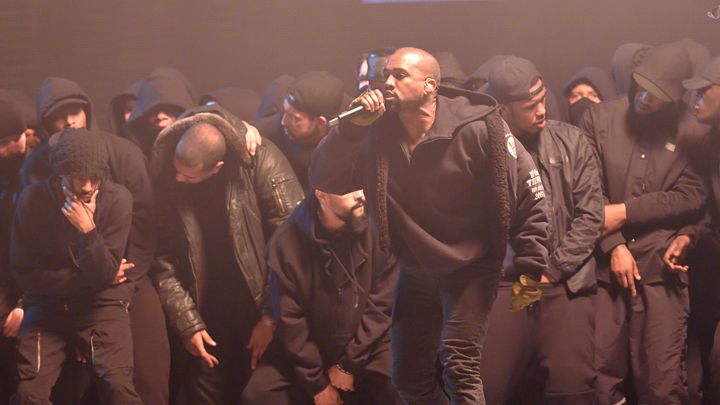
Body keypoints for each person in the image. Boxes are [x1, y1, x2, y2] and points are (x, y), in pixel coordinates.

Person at [311, 47, 549, 405]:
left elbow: (531, 197)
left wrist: (529, 272)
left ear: (430, 86)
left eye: (400, 75)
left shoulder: (478, 128)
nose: (387, 83)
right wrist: (348, 131)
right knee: (408, 378)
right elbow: (324, 179)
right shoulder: (377, 136)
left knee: (460, 366)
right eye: (386, 75)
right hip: (418, 267)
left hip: (473, 266)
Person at [148, 104, 304, 404]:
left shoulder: (262, 161)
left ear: (217, 167)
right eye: (177, 172)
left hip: (260, 302)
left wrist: (271, 317)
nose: (179, 179)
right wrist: (187, 323)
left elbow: (294, 250)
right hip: (204, 304)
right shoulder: (167, 171)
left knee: (256, 393)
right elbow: (161, 260)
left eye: (189, 177)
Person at [580, 41, 707, 404]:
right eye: (642, 86)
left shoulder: (693, 131)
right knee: (599, 381)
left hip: (660, 271)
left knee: (662, 385)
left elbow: (694, 195)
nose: (645, 98)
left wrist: (626, 212)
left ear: (676, 97)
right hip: (604, 271)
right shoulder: (599, 118)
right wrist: (614, 244)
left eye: (658, 94)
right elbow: (585, 189)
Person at [479, 56, 603, 405]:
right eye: (530, 106)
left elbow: (591, 215)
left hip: (564, 283)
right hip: (510, 283)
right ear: (504, 109)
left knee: (572, 388)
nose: (542, 110)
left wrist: (551, 271)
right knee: (491, 387)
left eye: (543, 99)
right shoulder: (484, 149)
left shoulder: (571, 140)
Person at [10, 128, 140, 404]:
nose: (87, 186)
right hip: (47, 306)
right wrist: (85, 280)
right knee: (28, 394)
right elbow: (25, 273)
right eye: (78, 177)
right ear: (60, 175)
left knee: (118, 386)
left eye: (94, 177)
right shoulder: (32, 199)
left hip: (101, 305)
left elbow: (103, 277)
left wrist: (88, 232)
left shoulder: (117, 199)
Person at [242, 181, 401, 405]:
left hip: (368, 341)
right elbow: (290, 320)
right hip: (313, 342)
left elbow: (383, 305)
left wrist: (348, 364)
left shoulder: (380, 225)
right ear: (321, 195)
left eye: (360, 185)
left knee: (401, 385)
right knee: (258, 395)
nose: (360, 195)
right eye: (348, 189)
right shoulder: (286, 241)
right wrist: (316, 384)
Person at [675, 56, 720, 403]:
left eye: (705, 91)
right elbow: (709, 210)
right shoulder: (710, 142)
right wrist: (690, 233)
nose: (695, 99)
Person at [256, 71, 347, 194]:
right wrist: (247, 130)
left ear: (321, 122)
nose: (284, 122)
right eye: (286, 113)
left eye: (294, 118)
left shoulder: (347, 139)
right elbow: (247, 128)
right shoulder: (279, 126)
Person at [0, 91, 29, 403]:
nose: (7, 149)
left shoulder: (39, 172)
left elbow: (49, 251)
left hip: (32, 298)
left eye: (13, 139)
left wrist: (25, 303)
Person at [126, 73, 194, 158]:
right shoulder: (135, 152)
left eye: (168, 109)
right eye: (152, 110)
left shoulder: (202, 143)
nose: (160, 116)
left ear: (181, 110)